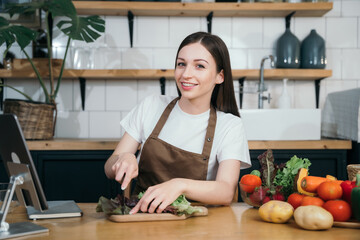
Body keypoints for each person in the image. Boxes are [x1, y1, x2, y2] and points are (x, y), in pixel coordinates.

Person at [104, 31, 251, 214]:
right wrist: (122, 159)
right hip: (141, 218)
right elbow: (109, 167)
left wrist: (179, 185)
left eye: (199, 66)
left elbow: (226, 191)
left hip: (196, 226)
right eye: (181, 64)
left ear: (220, 76)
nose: (186, 74)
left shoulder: (230, 125)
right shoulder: (151, 106)